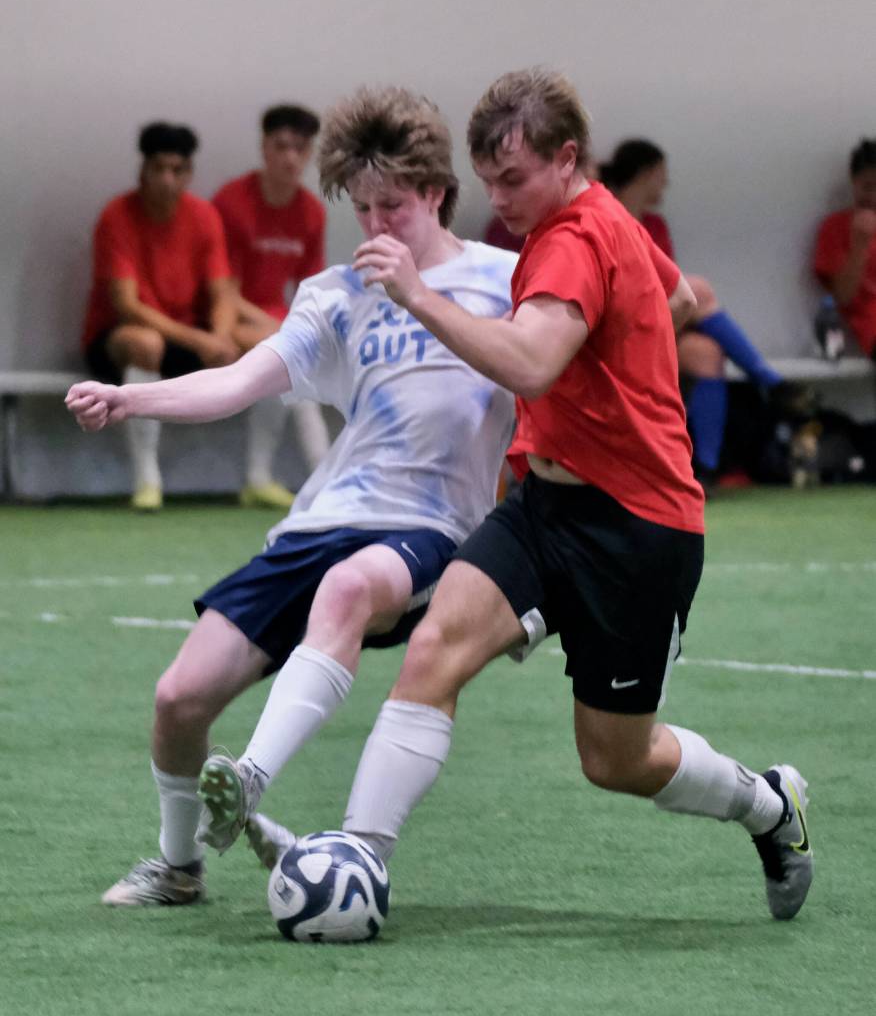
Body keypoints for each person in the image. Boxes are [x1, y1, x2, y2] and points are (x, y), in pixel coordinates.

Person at [210, 69, 813, 923]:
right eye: (487, 180)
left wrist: (417, 294)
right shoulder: (598, 218)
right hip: (542, 509)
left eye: (514, 179)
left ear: (567, 158)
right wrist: (622, 360)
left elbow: (531, 362)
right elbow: (682, 297)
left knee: (615, 757)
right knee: (435, 653)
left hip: (639, 529)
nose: (498, 198)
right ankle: (360, 854)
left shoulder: (576, 238)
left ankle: (768, 804)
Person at [65, 86, 518, 906]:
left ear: (438, 193)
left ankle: (252, 777)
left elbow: (564, 370)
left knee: (348, 590)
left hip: (428, 528)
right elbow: (240, 380)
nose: (377, 226)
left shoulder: (504, 281)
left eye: (395, 206)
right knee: (179, 697)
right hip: (322, 519)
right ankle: (180, 867)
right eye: (363, 208)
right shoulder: (336, 294)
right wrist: (133, 398)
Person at [82, 122, 296, 511]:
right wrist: (202, 341)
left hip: (187, 336)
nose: (168, 179)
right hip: (122, 341)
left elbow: (221, 292)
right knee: (145, 343)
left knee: (274, 346)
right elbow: (128, 306)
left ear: (189, 174)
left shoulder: (203, 216)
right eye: (159, 169)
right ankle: (147, 481)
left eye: (177, 170)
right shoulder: (117, 217)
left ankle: (259, 478)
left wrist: (220, 336)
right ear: (143, 170)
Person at [601, 139, 811, 486]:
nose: (665, 185)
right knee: (698, 289)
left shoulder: (655, 224)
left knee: (707, 354)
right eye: (661, 176)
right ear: (647, 173)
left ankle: (705, 468)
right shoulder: (606, 212)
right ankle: (769, 381)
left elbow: (664, 281)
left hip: (653, 319)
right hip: (616, 320)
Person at [213, 105, 333, 506]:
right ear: (264, 148)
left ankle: (283, 476)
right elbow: (220, 291)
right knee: (287, 350)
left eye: (300, 148)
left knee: (299, 353)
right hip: (220, 318)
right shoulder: (231, 202)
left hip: (271, 321)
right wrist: (278, 325)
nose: (290, 157)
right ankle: (323, 476)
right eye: (281, 146)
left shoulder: (311, 212)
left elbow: (307, 289)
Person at [814, 138, 876, 361]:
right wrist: (860, 245)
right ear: (854, 181)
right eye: (868, 187)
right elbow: (843, 297)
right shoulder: (836, 227)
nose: (874, 197)